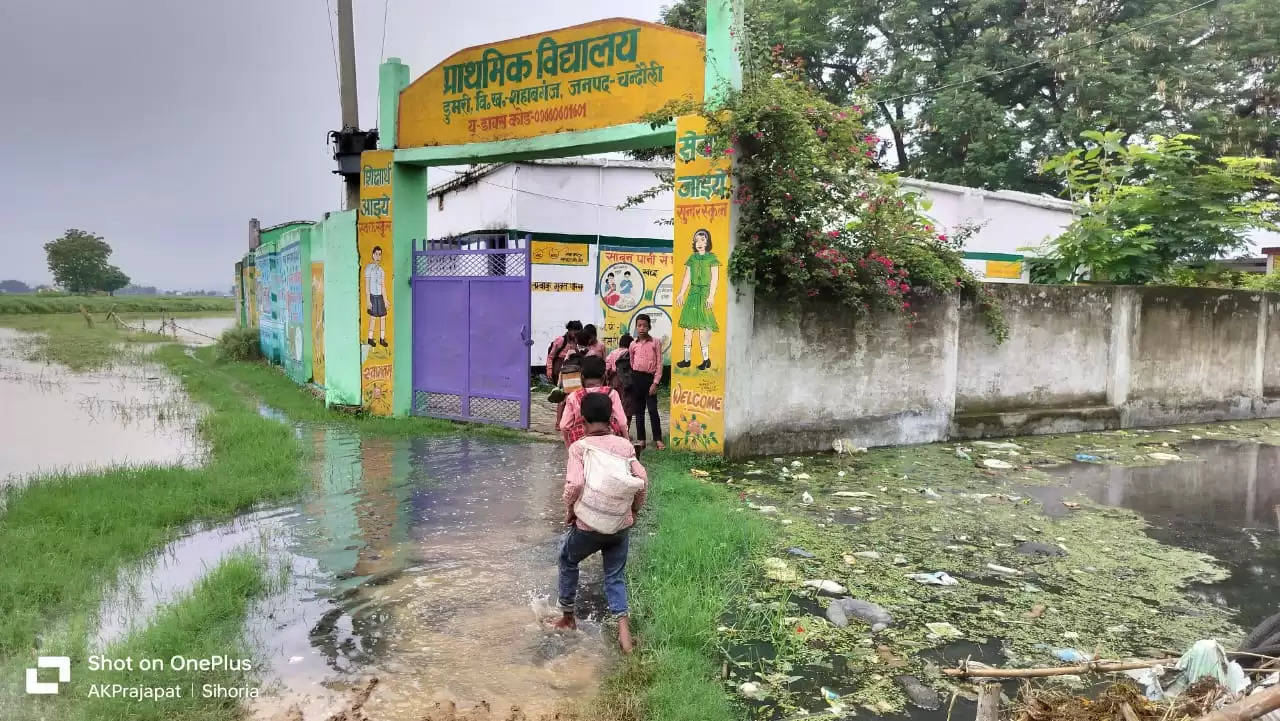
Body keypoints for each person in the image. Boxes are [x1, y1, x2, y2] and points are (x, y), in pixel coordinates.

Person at [554, 392, 648, 654]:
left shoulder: (579, 448)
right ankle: (625, 634)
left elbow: (575, 484)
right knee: (614, 576)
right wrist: (634, 511)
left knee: (568, 560)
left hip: (589, 527)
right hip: (620, 525)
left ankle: (568, 617)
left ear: (582, 419)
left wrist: (569, 510)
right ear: (611, 418)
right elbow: (642, 480)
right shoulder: (625, 447)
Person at [558, 356, 628, 447]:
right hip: (608, 443)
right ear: (604, 377)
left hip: (581, 444)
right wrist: (627, 441)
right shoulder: (612, 394)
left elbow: (564, 426)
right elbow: (622, 422)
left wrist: (569, 446)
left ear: (582, 377)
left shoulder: (573, 396)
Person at [674, 229, 720, 370]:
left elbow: (714, 279)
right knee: (688, 329)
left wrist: (711, 296)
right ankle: (686, 359)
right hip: (692, 295)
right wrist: (681, 293)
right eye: (697, 240)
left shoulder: (712, 259)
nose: (699, 243)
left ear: (707, 242)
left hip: (704, 295)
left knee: (703, 330)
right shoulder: (692, 258)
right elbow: (686, 277)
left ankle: (706, 360)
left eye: (702, 240)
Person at [627, 314, 665, 450]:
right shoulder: (633, 344)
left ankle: (658, 439)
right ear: (636, 327)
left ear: (649, 327)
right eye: (639, 325)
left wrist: (655, 383)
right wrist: (634, 377)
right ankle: (641, 439)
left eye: (644, 325)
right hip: (637, 378)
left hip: (650, 379)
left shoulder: (655, 342)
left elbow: (659, 363)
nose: (641, 328)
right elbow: (631, 362)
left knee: (653, 410)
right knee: (639, 411)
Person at [606, 334, 636, 426]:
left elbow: (607, 368)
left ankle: (615, 429)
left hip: (614, 380)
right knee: (628, 407)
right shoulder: (631, 353)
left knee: (614, 405)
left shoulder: (612, 353)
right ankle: (626, 430)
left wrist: (607, 381)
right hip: (628, 381)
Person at [365, 246, 389, 347]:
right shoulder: (368, 268)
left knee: (383, 317)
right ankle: (370, 338)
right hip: (373, 296)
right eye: (376, 254)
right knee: (373, 317)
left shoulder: (381, 271)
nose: (378, 256)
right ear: (373, 255)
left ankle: (382, 338)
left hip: (380, 296)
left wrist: (386, 299)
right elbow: (367, 285)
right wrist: (368, 300)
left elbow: (383, 286)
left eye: (380, 254)